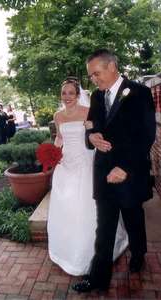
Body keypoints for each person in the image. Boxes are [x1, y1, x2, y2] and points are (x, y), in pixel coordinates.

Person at [72, 49, 156, 293]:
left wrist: (126, 167)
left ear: (112, 67)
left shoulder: (140, 92)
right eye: (91, 76)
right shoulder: (98, 97)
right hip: (103, 172)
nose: (94, 80)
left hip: (129, 172)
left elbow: (147, 134)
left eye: (96, 73)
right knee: (104, 227)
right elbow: (91, 126)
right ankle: (98, 278)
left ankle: (138, 254)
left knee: (133, 218)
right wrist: (93, 137)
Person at [47, 78, 128, 276]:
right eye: (64, 93)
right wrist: (51, 154)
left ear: (77, 94)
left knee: (87, 207)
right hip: (65, 164)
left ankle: (94, 254)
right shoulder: (58, 116)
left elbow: (95, 135)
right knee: (66, 208)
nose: (67, 97)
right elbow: (59, 137)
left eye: (70, 93)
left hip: (85, 163)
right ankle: (68, 251)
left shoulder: (87, 112)